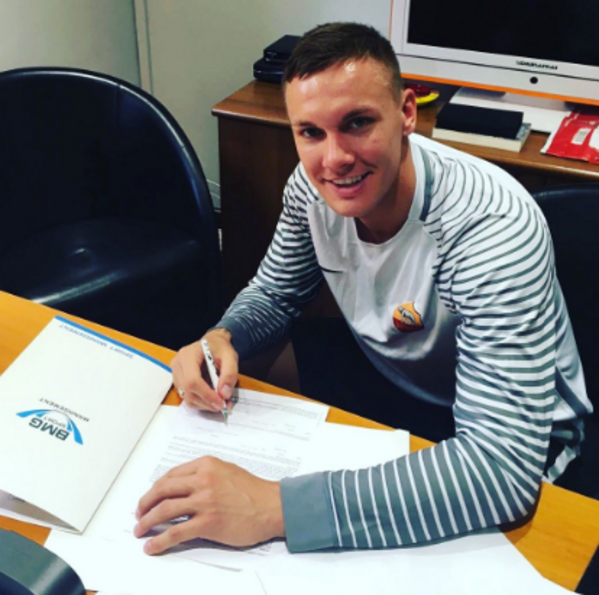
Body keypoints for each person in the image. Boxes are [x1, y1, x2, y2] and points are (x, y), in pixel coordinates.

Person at [134, 22, 593, 555]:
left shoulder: (489, 226)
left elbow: (500, 471)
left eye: (357, 123)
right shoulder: (311, 190)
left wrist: (272, 507)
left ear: (406, 113)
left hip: (515, 437)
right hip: (399, 380)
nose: (334, 159)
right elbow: (276, 294)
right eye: (311, 132)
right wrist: (224, 335)